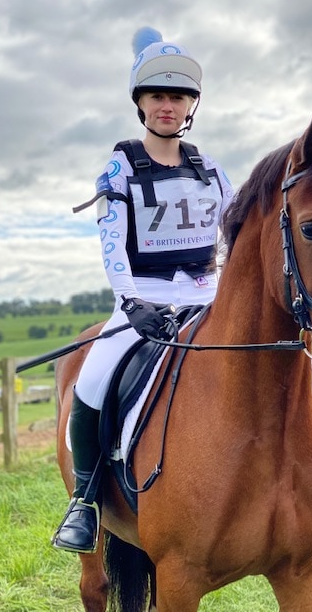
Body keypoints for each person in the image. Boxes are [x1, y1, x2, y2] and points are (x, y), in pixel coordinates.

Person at [52, 27, 234, 553]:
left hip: (207, 296)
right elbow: (111, 242)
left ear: (191, 105)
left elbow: (239, 229)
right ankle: (85, 501)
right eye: (157, 95)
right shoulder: (121, 167)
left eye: (178, 96)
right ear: (141, 102)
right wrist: (133, 303)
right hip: (142, 301)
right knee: (93, 380)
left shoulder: (212, 168)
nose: (167, 106)